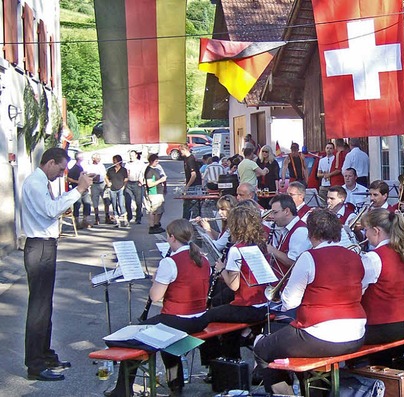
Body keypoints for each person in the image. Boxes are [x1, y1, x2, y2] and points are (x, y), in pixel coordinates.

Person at [254, 209, 366, 393]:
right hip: (357, 334)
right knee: (287, 340)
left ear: (311, 233)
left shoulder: (309, 257)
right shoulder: (354, 256)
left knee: (262, 349)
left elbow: (289, 302)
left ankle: (287, 394)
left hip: (320, 335)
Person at [105, 219, 210, 396]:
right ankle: (175, 386)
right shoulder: (203, 259)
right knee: (166, 336)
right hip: (200, 318)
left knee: (132, 337)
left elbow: (155, 296)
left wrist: (156, 280)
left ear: (172, 237)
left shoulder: (170, 262)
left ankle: (122, 391)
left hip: (177, 319)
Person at [21, 147, 93, 381]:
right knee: (39, 308)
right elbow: (51, 211)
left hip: (45, 245)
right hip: (39, 246)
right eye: (61, 169)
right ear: (50, 162)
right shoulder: (35, 182)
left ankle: (45, 353)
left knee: (45, 306)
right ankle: (35, 364)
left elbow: (52, 209)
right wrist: (79, 189)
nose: (62, 173)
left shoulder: (42, 181)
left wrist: (71, 195)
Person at [199, 205, 270, 364]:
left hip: (247, 306)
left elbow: (233, 285)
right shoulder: (260, 245)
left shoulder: (236, 249)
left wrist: (222, 268)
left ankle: (215, 362)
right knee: (222, 308)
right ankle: (231, 358)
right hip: (264, 304)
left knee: (206, 317)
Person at [360, 209, 404, 366]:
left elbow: (356, 293)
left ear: (376, 231)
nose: (365, 234)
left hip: (384, 325)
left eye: (366, 230)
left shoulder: (373, 257)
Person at [266, 194, 311, 275]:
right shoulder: (286, 228)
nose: (272, 217)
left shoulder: (300, 231)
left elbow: (293, 262)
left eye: (275, 213)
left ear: (287, 211)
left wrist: (273, 251)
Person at [66, 151, 92, 229]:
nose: (83, 158)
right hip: (77, 189)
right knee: (77, 205)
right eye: (82, 157)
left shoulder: (80, 167)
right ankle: (77, 222)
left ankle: (85, 220)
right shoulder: (74, 168)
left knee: (87, 203)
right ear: (79, 158)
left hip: (84, 189)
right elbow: (68, 178)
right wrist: (78, 182)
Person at [144, 153, 167, 234]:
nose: (157, 163)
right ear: (151, 161)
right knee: (155, 210)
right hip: (154, 193)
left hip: (159, 192)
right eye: (156, 161)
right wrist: (160, 181)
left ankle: (156, 224)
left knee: (160, 210)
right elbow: (149, 184)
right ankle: (152, 225)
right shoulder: (149, 171)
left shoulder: (155, 169)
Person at [179, 144, 203, 219]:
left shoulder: (191, 159)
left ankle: (190, 222)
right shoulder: (186, 159)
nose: (180, 153)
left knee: (192, 205)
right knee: (187, 204)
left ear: (184, 150)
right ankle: (187, 220)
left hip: (194, 185)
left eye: (181, 151)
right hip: (191, 184)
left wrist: (187, 186)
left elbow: (194, 175)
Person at [84, 153, 107, 225]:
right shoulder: (89, 166)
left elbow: (105, 175)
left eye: (99, 158)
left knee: (106, 200)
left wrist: (107, 183)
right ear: (93, 159)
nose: (99, 159)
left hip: (102, 183)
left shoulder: (101, 165)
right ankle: (97, 217)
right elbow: (87, 175)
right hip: (94, 185)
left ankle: (107, 216)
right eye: (97, 158)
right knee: (95, 201)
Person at [105, 154, 128, 226]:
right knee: (114, 205)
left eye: (116, 161)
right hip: (112, 189)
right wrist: (108, 183)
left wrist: (124, 186)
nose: (114, 162)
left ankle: (125, 219)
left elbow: (126, 178)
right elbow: (106, 176)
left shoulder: (123, 170)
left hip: (120, 188)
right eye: (113, 161)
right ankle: (117, 220)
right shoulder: (110, 170)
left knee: (121, 204)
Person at [124, 150, 145, 224]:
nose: (131, 157)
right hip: (129, 183)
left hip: (137, 183)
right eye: (130, 155)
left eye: (132, 155)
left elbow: (143, 172)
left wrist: (141, 180)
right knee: (127, 201)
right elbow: (126, 173)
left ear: (136, 155)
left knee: (138, 201)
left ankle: (138, 217)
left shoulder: (140, 163)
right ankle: (129, 216)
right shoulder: (127, 164)